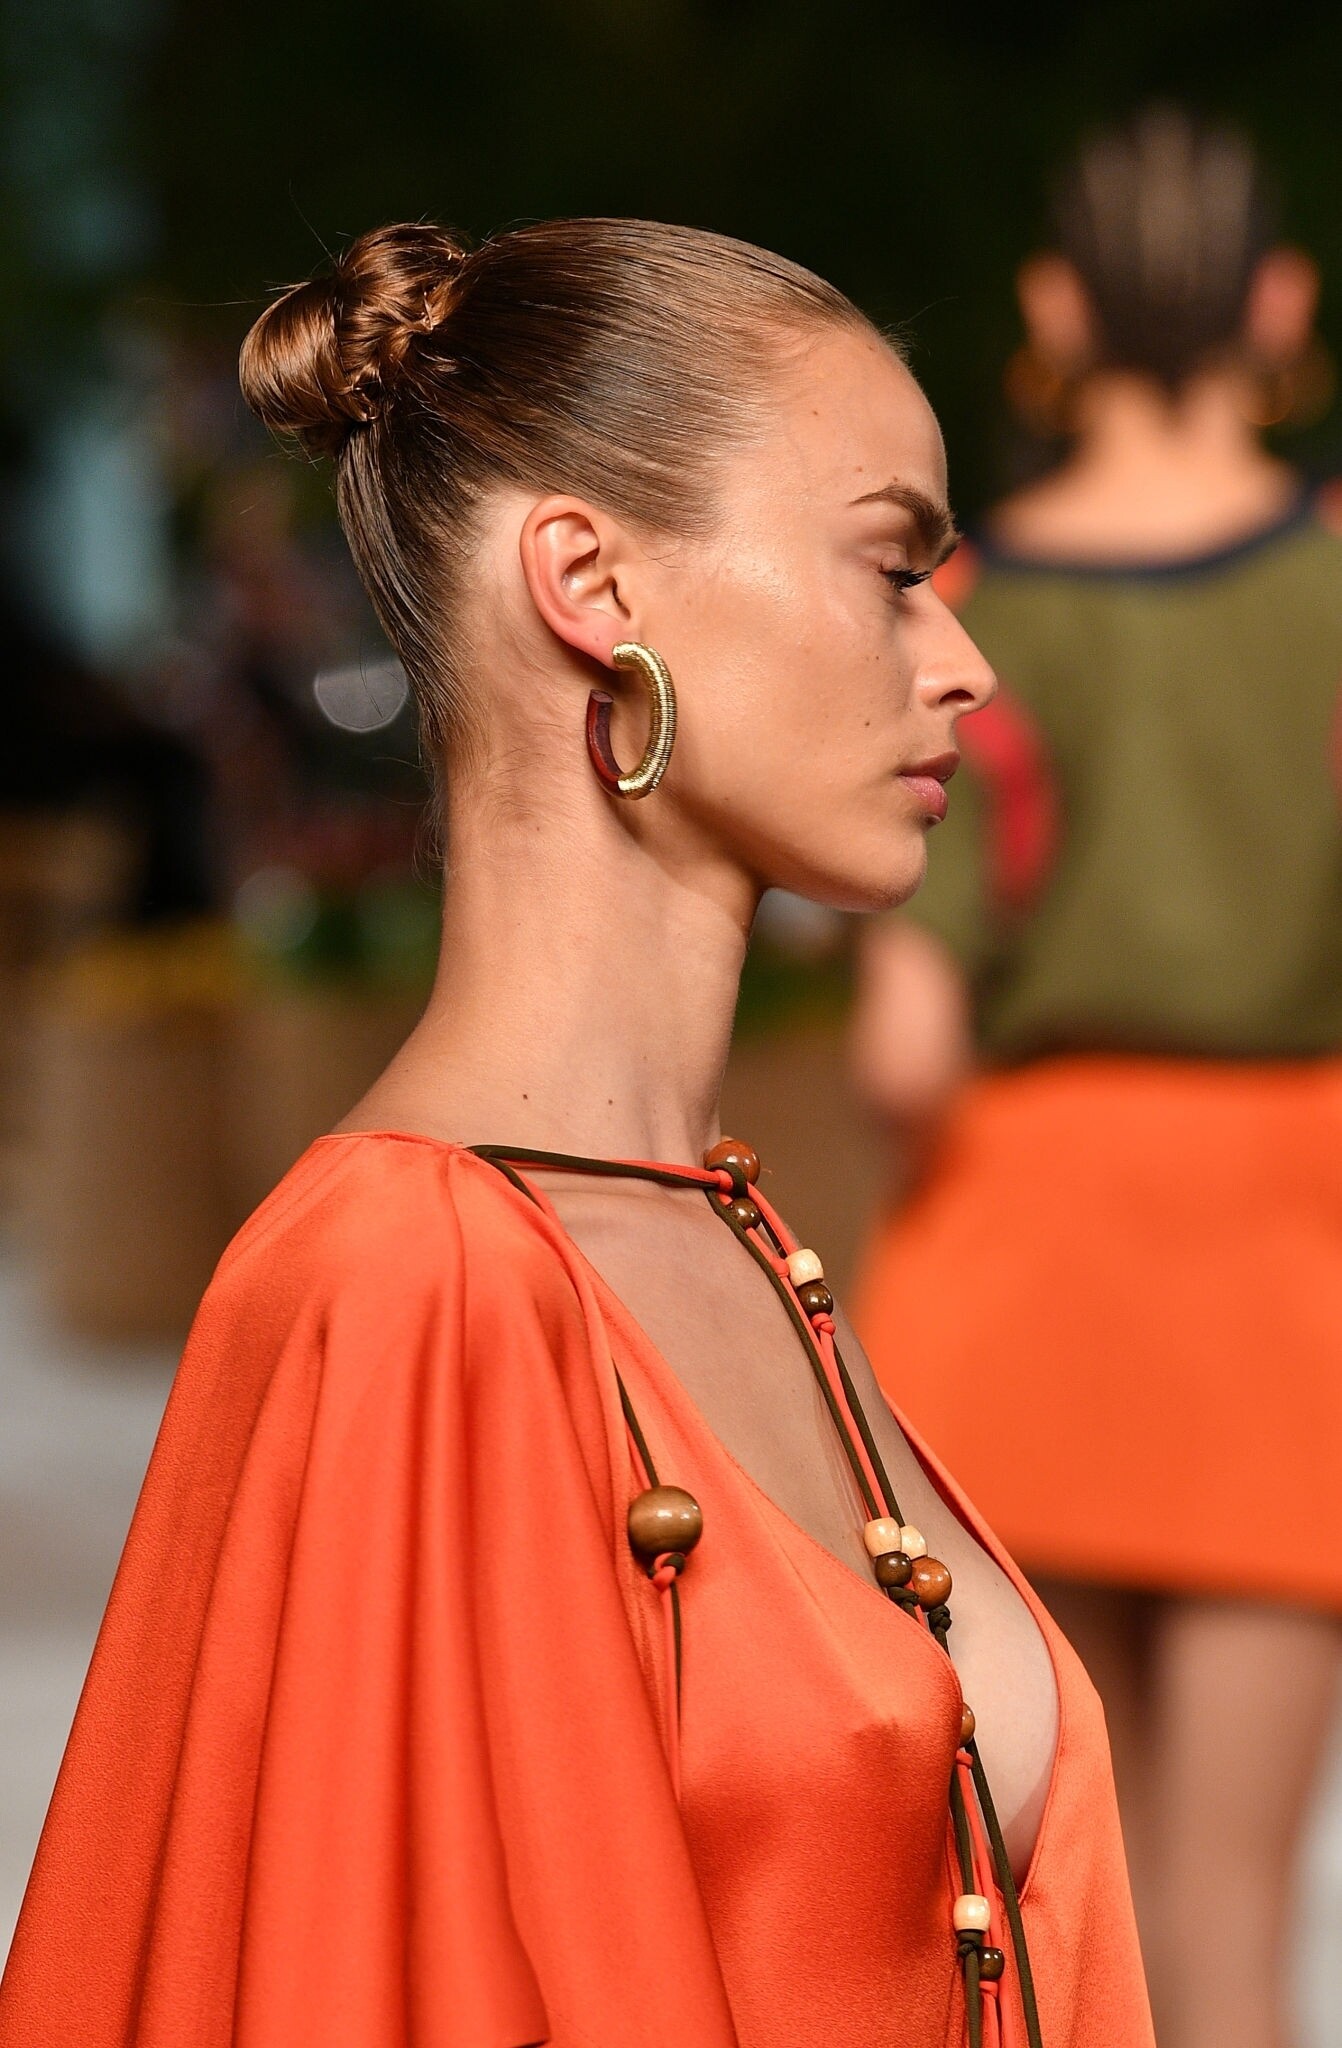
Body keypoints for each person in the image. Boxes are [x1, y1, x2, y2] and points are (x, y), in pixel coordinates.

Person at [0, 218, 1153, 2048]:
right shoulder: (408, 1284)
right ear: (591, 583)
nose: (961, 663)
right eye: (890, 568)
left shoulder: (728, 1229)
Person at [850, 110, 1342, 2048]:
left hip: (1022, 1262)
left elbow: (903, 1044)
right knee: (1230, 1928)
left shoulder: (962, 609)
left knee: (1056, 1924)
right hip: (1291, 1265)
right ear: (1278, 307)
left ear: (1050, 311)